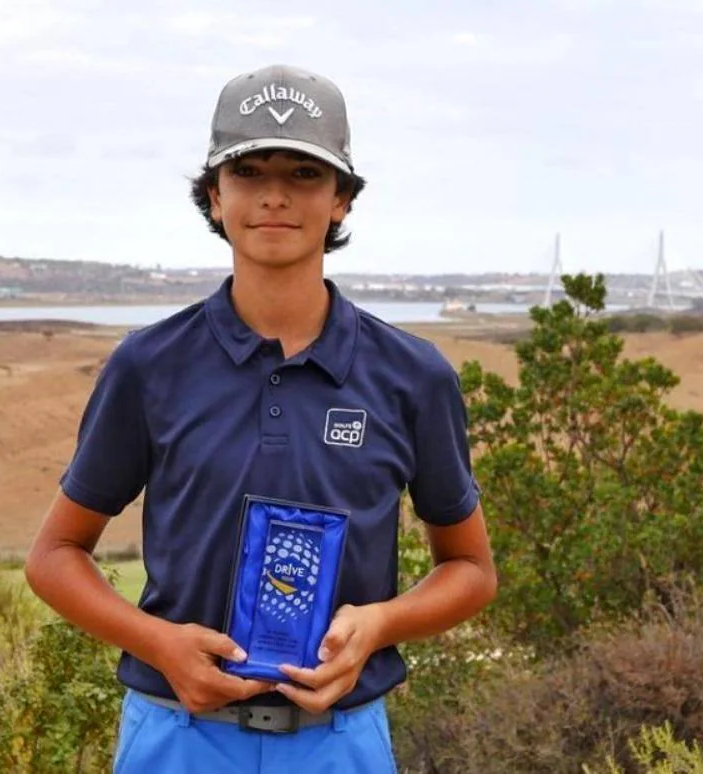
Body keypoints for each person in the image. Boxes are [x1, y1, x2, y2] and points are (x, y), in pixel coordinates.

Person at [24, 63, 497, 774]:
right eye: (248, 171)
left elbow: (469, 569)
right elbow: (53, 558)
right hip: (176, 736)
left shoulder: (412, 377)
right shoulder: (148, 366)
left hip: (340, 742)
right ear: (215, 197)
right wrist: (160, 644)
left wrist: (379, 625)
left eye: (305, 174)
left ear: (341, 200)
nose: (274, 196)